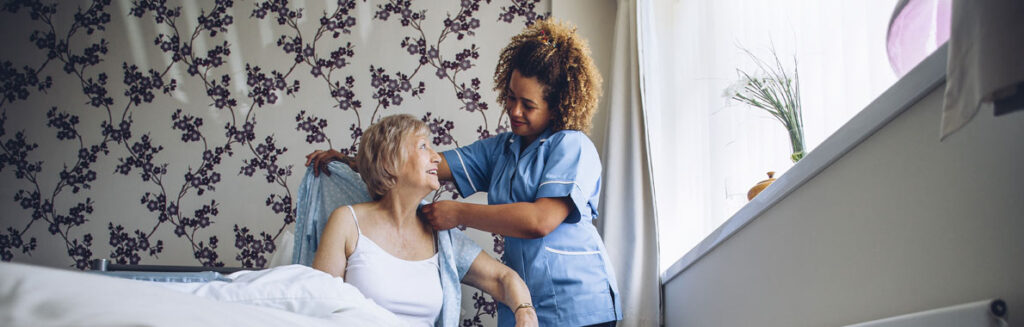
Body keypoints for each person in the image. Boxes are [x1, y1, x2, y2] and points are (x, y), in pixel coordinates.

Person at [307, 19, 620, 326]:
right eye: (511, 97)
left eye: (528, 104)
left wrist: (457, 213)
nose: (514, 111)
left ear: (556, 106)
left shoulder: (571, 146)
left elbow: (540, 221)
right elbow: (416, 164)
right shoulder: (500, 150)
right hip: (527, 302)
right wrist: (354, 161)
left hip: (578, 303)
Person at [308, 114, 538, 327]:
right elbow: (319, 307)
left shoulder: (441, 236)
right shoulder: (347, 222)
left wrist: (525, 311)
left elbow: (502, 278)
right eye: (423, 146)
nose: (437, 157)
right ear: (390, 162)